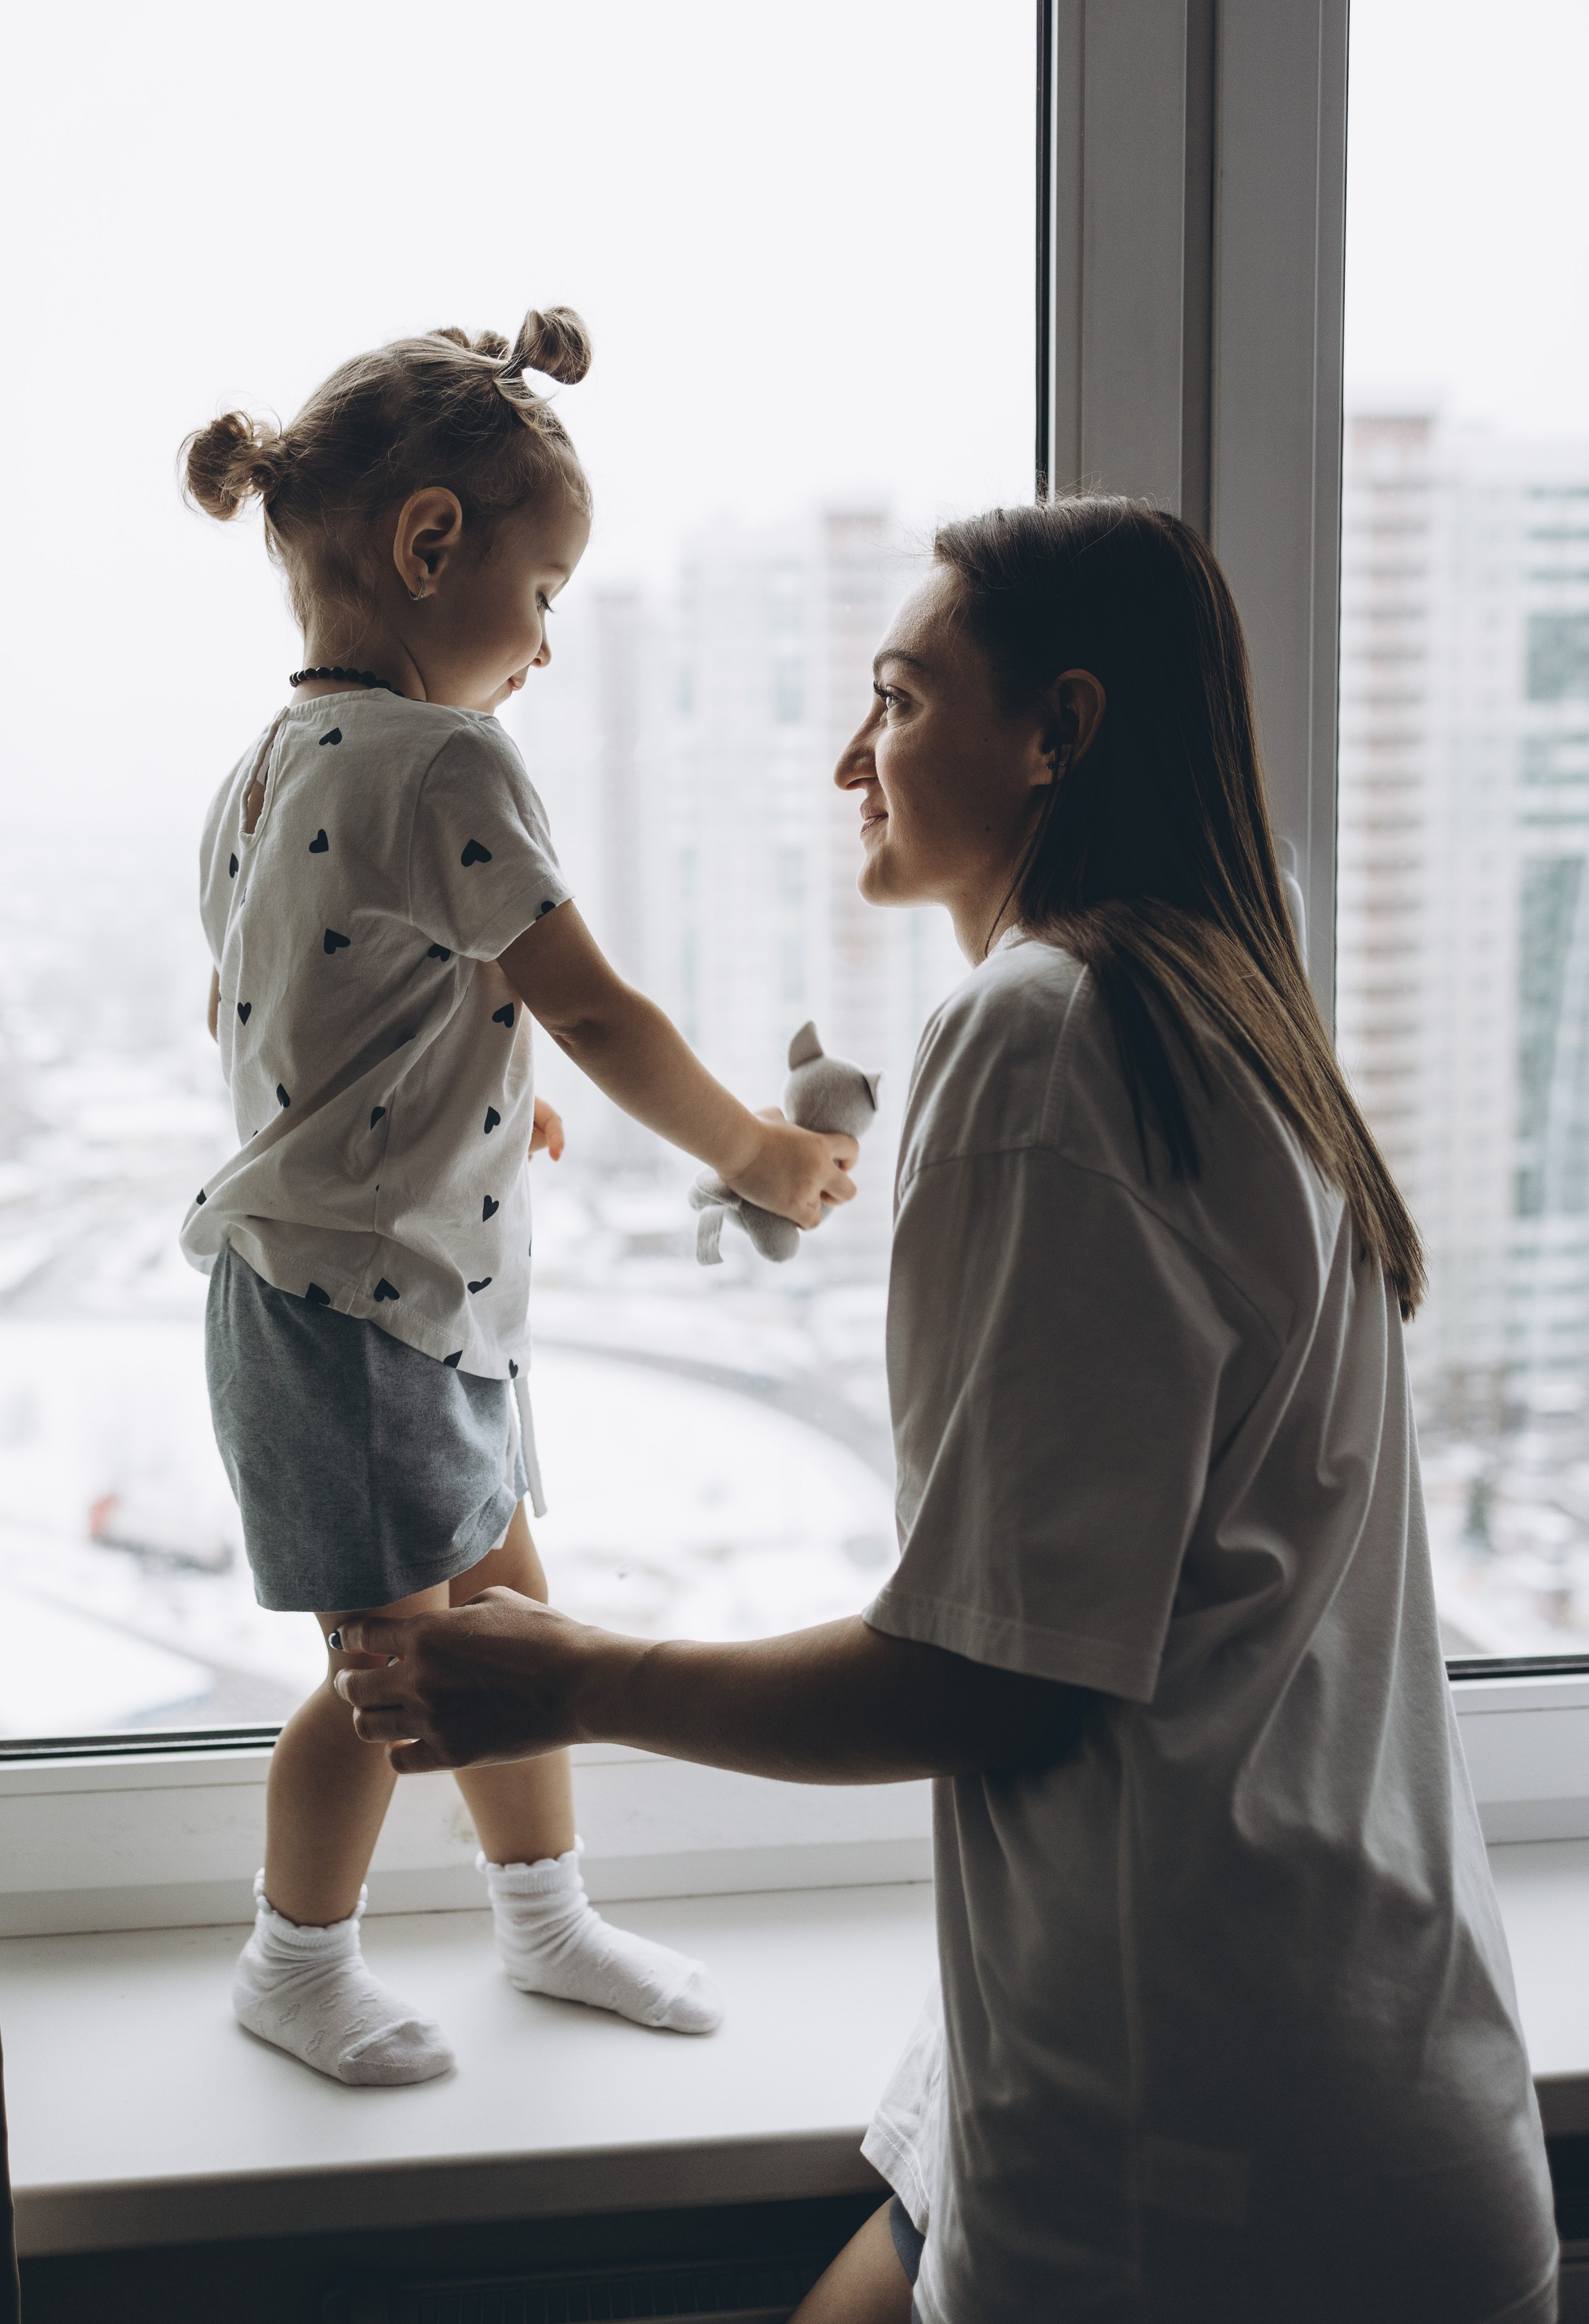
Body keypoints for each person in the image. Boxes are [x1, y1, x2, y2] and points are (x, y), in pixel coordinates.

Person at [328, 499, 1559, 2321]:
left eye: (900, 701)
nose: (851, 757)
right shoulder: (1225, 1015)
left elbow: (997, 1674)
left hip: (1201, 2165)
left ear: (1058, 732)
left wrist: (573, 1680)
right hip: (1342, 2069)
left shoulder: (1045, 1033)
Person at [178, 310, 858, 2089]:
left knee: (506, 1633)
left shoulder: (263, 774)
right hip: (356, 1309)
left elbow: (292, 1024)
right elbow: (598, 1005)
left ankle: (544, 1921)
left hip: (393, 1287)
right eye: (543, 591)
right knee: (393, 1668)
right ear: (429, 547)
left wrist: (483, 1112)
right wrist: (758, 1154)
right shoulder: (445, 764)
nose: (547, 642)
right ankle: (292, 1960)